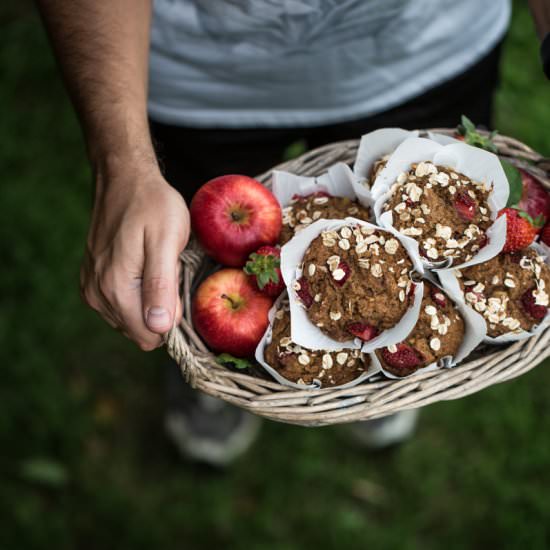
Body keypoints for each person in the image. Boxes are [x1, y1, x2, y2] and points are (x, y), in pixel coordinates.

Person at [37, 0, 550, 466]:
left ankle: (384, 381)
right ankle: (215, 377)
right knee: (193, 261)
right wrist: (123, 166)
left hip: (430, 47)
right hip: (199, 73)